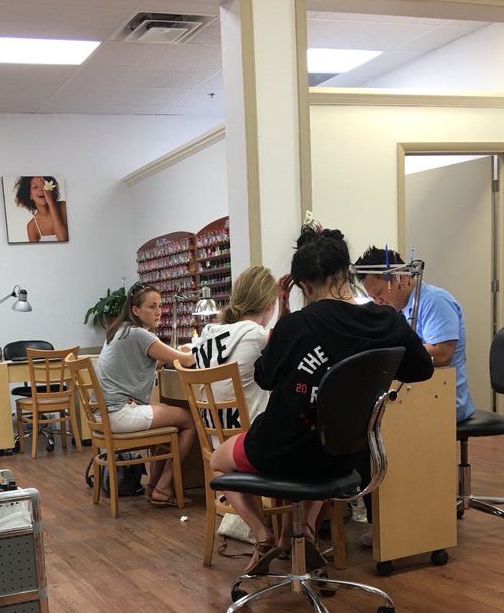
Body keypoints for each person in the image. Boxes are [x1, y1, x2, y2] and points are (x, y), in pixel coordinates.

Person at [209, 226, 433, 573]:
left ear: (306, 286)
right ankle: (303, 534)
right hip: (344, 456)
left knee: (218, 461)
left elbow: (266, 377)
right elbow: (421, 370)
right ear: (347, 272)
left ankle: (263, 536)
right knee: (319, 451)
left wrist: (285, 314)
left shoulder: (295, 325)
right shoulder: (387, 320)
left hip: (281, 451)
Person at [96, 282, 197, 507]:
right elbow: (188, 360)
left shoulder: (120, 330)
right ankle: (163, 487)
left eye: (160, 306)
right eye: (152, 307)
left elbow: (145, 364)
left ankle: (154, 487)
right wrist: (188, 350)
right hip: (120, 414)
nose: (159, 311)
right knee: (190, 420)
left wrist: (175, 354)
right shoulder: (140, 335)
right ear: (135, 310)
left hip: (105, 414)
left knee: (167, 422)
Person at [354, 247, 475, 423]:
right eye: (372, 297)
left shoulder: (435, 301)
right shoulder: (399, 311)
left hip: (445, 399)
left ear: (400, 278)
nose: (378, 302)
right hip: (418, 394)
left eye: (379, 293)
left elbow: (442, 354)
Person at [191, 265, 287, 425]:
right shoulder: (256, 336)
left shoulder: (209, 333)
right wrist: (285, 305)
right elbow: (286, 335)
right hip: (248, 435)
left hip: (214, 433)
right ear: (269, 305)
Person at [13, 176, 69, 243]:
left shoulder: (63, 206)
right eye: (35, 187)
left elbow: (63, 239)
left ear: (50, 189)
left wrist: (50, 202)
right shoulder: (32, 227)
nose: (41, 189)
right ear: (30, 195)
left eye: (43, 185)